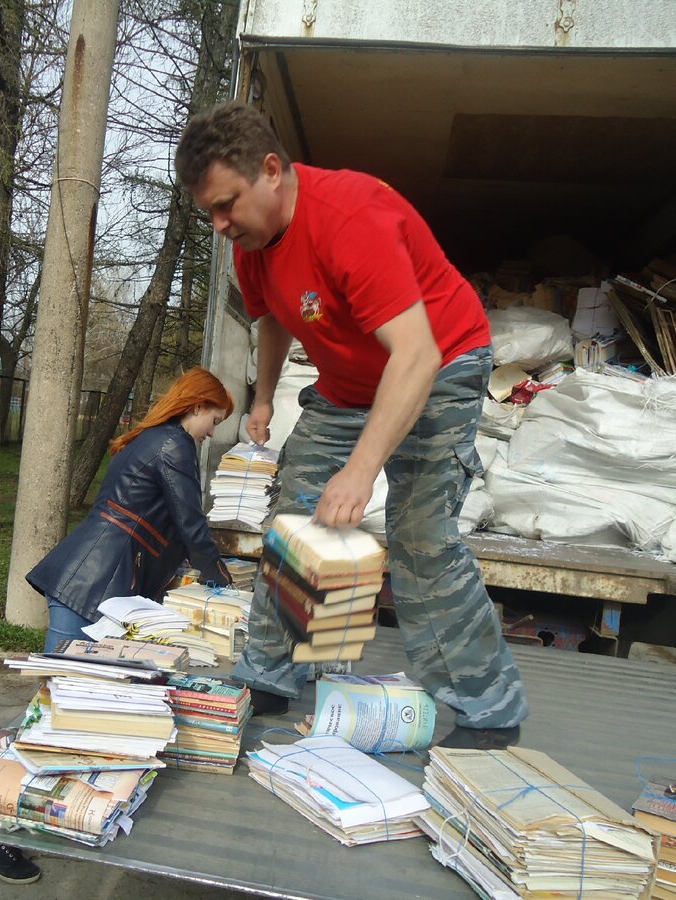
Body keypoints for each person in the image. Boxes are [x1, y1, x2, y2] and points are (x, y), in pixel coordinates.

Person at [174, 101, 529, 750]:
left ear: (273, 171)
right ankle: (271, 673)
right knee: (293, 519)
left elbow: (415, 356)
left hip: (439, 359)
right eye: (210, 213)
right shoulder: (251, 243)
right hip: (349, 382)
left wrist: (361, 470)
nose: (221, 224)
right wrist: (261, 398)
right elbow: (275, 316)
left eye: (228, 204)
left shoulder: (348, 219)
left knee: (420, 537)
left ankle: (487, 705)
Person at [0, 366, 235, 885]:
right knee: (55, 715)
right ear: (197, 406)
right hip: (98, 583)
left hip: (94, 577)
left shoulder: (153, 439)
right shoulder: (173, 444)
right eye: (214, 419)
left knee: (61, 709)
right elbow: (189, 519)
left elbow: (162, 522)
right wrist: (219, 578)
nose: (212, 431)